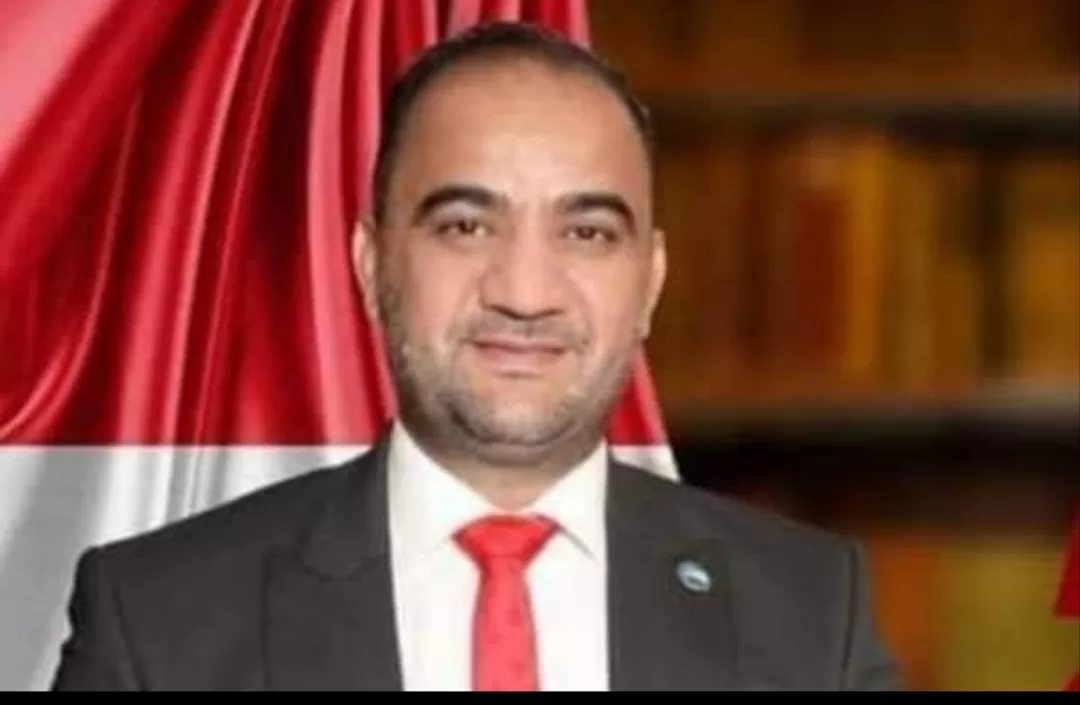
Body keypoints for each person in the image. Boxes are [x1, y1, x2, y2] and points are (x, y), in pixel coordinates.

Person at [51, 21, 901, 691]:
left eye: (587, 233)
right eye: (465, 225)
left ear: (649, 283)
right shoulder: (156, 621)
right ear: (372, 265)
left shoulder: (812, 615)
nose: (525, 292)